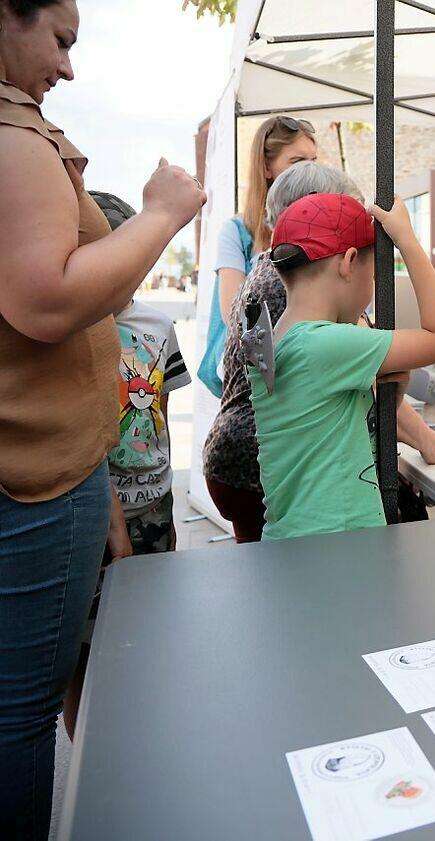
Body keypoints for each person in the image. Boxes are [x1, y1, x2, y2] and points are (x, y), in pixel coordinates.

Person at [0, 1, 204, 836]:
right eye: (59, 39)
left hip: (56, 475)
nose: (68, 67)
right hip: (34, 481)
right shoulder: (16, 138)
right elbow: (47, 300)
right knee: (23, 712)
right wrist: (159, 214)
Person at [203, 161, 435, 542]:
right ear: (349, 263)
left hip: (294, 535)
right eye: (373, 274)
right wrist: (406, 240)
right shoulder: (325, 344)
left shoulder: (276, 336)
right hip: (337, 543)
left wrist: (394, 392)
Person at [63, 191, 192, 739]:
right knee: (84, 650)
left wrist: (165, 497)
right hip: (92, 512)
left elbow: (159, 410)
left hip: (153, 505)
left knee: (145, 634)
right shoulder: (69, 330)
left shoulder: (157, 327)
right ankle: (87, 751)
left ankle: (138, 738)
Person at [199, 115, 317, 395]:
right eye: (297, 162)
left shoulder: (318, 226)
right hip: (257, 373)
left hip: (306, 360)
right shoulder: (238, 232)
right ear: (266, 167)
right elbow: (233, 313)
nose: (309, 171)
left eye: (314, 161)